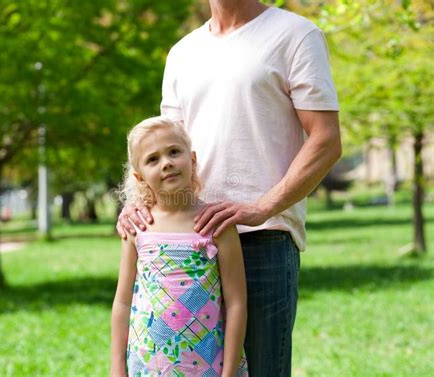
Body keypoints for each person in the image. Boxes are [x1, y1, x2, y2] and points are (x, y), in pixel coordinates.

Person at [117, 1, 342, 375]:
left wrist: (261, 207)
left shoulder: (295, 35)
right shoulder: (182, 53)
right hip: (183, 249)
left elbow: (326, 141)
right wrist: (136, 204)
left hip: (262, 240)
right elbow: (163, 147)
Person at [110, 117, 249, 376]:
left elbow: (237, 303)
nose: (167, 163)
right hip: (148, 366)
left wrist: (229, 372)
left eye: (174, 152)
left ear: (192, 159)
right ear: (140, 177)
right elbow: (123, 302)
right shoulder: (137, 228)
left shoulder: (217, 224)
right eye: (153, 159)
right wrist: (117, 366)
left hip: (207, 365)